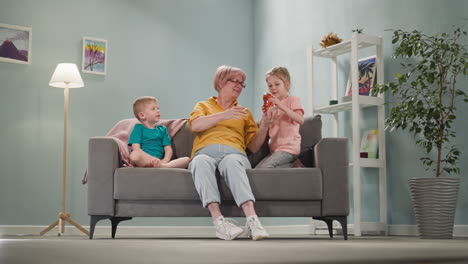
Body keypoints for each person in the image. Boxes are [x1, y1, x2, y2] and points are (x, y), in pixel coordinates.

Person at [188, 65, 272, 241]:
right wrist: (224, 115)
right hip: (205, 153)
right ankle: (219, 223)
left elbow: (254, 147)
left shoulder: (244, 113)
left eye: (242, 83)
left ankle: (252, 220)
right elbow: (195, 125)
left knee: (232, 161)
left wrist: (264, 125)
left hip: (234, 154)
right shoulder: (203, 106)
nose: (238, 85)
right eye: (234, 81)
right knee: (199, 162)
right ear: (220, 82)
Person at [256, 67, 304, 168]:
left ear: (287, 85)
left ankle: (293, 160)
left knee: (265, 168)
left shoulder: (293, 100)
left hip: (289, 149)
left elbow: (300, 119)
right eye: (270, 86)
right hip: (275, 150)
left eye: (277, 84)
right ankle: (294, 164)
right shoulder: (271, 106)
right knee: (256, 170)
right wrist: (265, 117)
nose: (273, 88)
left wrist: (281, 106)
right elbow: (262, 126)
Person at [128, 96, 190, 169]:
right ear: (142, 115)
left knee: (187, 160)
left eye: (158, 108)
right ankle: (153, 165)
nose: (158, 111)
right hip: (145, 159)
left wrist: (165, 160)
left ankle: (164, 166)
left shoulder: (162, 129)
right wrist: (152, 159)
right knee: (134, 155)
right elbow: (136, 148)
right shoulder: (138, 128)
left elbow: (168, 149)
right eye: (153, 109)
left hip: (160, 161)